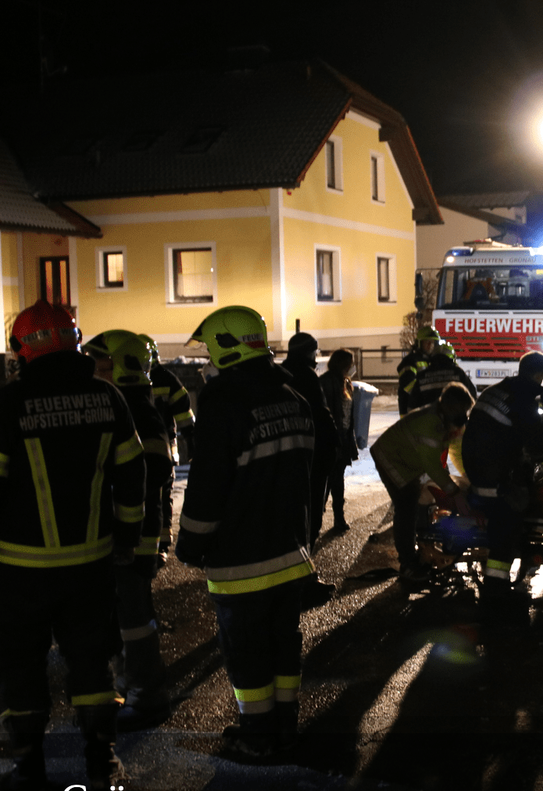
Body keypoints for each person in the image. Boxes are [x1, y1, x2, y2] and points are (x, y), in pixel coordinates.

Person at [0, 300, 145, 789]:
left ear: (22, 350)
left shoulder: (6, 407)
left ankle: (27, 766)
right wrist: (127, 536)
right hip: (92, 565)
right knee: (92, 661)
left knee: (18, 665)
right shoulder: (108, 398)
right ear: (75, 343)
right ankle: (101, 763)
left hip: (24, 572)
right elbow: (132, 473)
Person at [176, 305, 317, 764]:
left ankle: (256, 736)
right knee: (283, 647)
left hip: (241, 559)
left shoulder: (223, 401)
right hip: (289, 551)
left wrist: (192, 542)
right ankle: (285, 728)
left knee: (248, 653)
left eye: (209, 352)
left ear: (225, 346)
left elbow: (209, 483)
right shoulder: (292, 396)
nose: (207, 363)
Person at [83, 329, 174, 731]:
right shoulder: (125, 404)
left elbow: (153, 473)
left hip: (133, 538)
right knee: (123, 618)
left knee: (134, 622)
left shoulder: (136, 410)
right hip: (127, 535)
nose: (95, 374)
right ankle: (131, 690)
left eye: (102, 367)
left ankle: (145, 698)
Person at [461, 351, 543, 613]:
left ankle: (497, 584)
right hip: (496, 477)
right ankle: (496, 590)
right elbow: (537, 448)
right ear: (539, 375)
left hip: (475, 467)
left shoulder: (498, 389)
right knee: (508, 525)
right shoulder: (526, 398)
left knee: (505, 517)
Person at [371, 382, 475, 586]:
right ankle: (408, 563)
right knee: (406, 503)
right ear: (451, 410)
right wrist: (454, 492)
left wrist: (467, 476)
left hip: (407, 459)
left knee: (415, 496)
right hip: (391, 458)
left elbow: (453, 451)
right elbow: (432, 466)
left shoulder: (443, 417)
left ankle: (415, 547)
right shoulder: (430, 423)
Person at [282, 332, 339, 544]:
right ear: (308, 351)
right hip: (313, 451)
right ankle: (306, 557)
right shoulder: (308, 377)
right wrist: (333, 444)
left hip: (288, 452)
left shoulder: (282, 373)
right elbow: (321, 415)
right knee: (313, 506)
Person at [142, 334, 192, 556]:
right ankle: (161, 544)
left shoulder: (124, 380)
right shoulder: (167, 378)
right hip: (165, 450)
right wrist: (192, 442)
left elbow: (185, 417)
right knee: (162, 497)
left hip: (139, 450)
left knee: (150, 496)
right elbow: (186, 417)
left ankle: (155, 543)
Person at [319, 349, 359, 534]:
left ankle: (338, 518)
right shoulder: (327, 382)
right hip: (331, 439)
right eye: (350, 363)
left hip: (342, 439)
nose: (352, 367)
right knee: (327, 479)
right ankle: (318, 519)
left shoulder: (346, 383)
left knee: (337, 480)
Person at [404, 340, 477, 411]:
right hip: (453, 420)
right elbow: (472, 397)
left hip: (428, 420)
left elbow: (412, 406)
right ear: (452, 357)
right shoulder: (459, 373)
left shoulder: (422, 376)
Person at [397, 326, 440, 415]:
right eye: (427, 342)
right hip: (410, 412)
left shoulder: (432, 361)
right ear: (419, 343)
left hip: (426, 410)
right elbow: (408, 385)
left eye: (432, 343)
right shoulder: (410, 361)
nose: (430, 346)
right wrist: (426, 395)